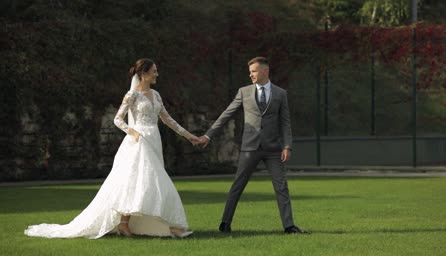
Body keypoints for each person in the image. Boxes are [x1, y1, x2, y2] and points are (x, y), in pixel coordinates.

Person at [25, 58, 198, 239]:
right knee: (144, 179)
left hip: (154, 140)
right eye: (154, 71)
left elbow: (168, 119)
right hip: (138, 142)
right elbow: (117, 119)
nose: (157, 74)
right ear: (144, 74)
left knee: (147, 181)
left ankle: (144, 224)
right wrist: (133, 132)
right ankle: (143, 224)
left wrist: (190, 136)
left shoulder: (156, 95)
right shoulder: (132, 95)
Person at [196, 57, 308, 234]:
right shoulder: (244, 92)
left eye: (254, 71)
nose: (251, 75)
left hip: (273, 150)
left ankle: (289, 226)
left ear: (265, 71)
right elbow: (226, 114)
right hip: (250, 148)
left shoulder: (280, 94)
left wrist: (287, 146)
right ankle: (225, 223)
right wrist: (208, 135)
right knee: (238, 185)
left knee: (281, 186)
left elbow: (285, 123)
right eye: (250, 72)